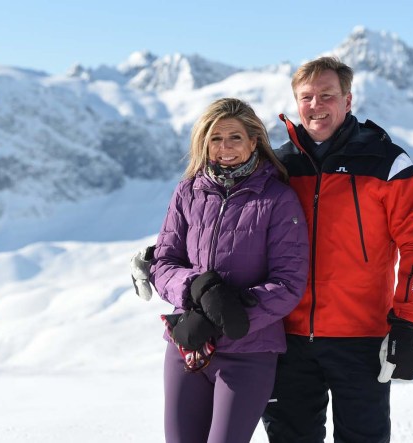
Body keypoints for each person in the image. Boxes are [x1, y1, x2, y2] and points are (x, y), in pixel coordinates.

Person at [262, 57, 413, 443]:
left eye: (327, 94)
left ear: (348, 99)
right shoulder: (279, 164)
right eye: (306, 96)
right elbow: (234, 230)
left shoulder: (386, 162)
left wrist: (408, 325)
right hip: (286, 338)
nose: (316, 105)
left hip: (360, 338)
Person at [150, 97, 309, 443]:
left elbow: (289, 281)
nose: (225, 147)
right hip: (187, 344)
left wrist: (224, 314)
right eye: (216, 138)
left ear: (254, 141)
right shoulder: (187, 192)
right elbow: (162, 264)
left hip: (248, 351)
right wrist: (198, 290)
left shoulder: (277, 199)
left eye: (235, 137)